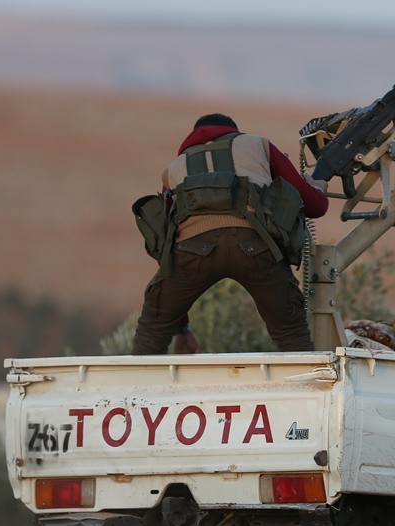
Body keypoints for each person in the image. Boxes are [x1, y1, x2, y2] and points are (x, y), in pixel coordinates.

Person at [132, 114, 329, 355]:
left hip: (191, 252)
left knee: (152, 331)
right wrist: (318, 188)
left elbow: (165, 248)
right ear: (233, 132)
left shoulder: (174, 169)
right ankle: (310, 391)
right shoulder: (259, 145)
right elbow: (313, 206)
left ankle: (140, 393)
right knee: (291, 334)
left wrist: (182, 328)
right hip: (257, 246)